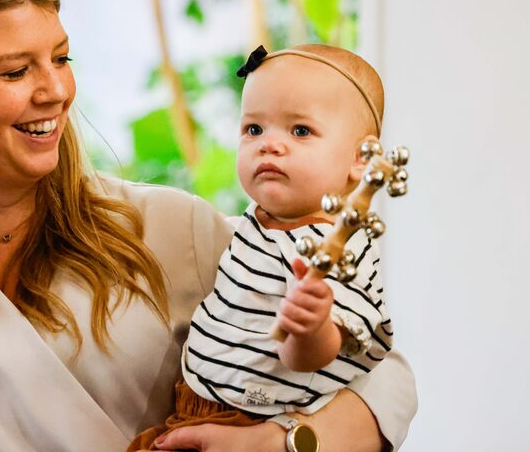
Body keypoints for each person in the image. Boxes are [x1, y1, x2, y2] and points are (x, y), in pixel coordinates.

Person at [0, 0, 417, 452]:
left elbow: (382, 376)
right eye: (15, 71)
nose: (56, 91)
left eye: (60, 58)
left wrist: (283, 443)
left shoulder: (169, 227)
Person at [128, 43, 396, 452]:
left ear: (361, 159)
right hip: (192, 407)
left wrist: (312, 328)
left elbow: (314, 357)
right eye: (254, 129)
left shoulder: (333, 248)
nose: (269, 145)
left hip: (253, 420)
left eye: (300, 131)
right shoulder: (261, 218)